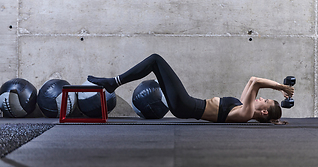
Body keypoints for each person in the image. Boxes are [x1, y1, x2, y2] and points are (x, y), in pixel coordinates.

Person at [88, 54, 294, 124]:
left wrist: (281, 87)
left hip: (186, 106)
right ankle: (113, 82)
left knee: (155, 60)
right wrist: (281, 88)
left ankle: (113, 82)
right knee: (154, 62)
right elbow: (252, 84)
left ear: (264, 112)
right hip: (186, 105)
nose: (260, 99)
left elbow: (255, 80)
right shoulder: (243, 107)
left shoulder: (247, 112)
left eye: (264, 101)